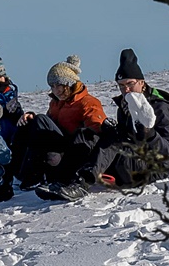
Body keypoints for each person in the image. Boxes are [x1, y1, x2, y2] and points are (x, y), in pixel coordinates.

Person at [13, 55, 108, 191]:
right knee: (28, 123)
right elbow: (47, 125)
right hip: (59, 143)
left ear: (70, 83)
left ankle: (36, 175)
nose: (56, 90)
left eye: (60, 85)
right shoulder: (56, 103)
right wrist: (31, 119)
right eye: (53, 86)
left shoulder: (87, 102)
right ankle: (19, 172)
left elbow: (95, 132)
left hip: (74, 148)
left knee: (39, 120)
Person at [86, 48, 169, 188]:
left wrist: (150, 134)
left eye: (130, 84)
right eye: (121, 86)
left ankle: (85, 180)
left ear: (141, 83)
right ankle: (70, 178)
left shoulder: (160, 108)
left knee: (114, 140)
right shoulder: (124, 106)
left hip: (153, 168)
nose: (126, 90)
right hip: (131, 161)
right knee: (88, 136)